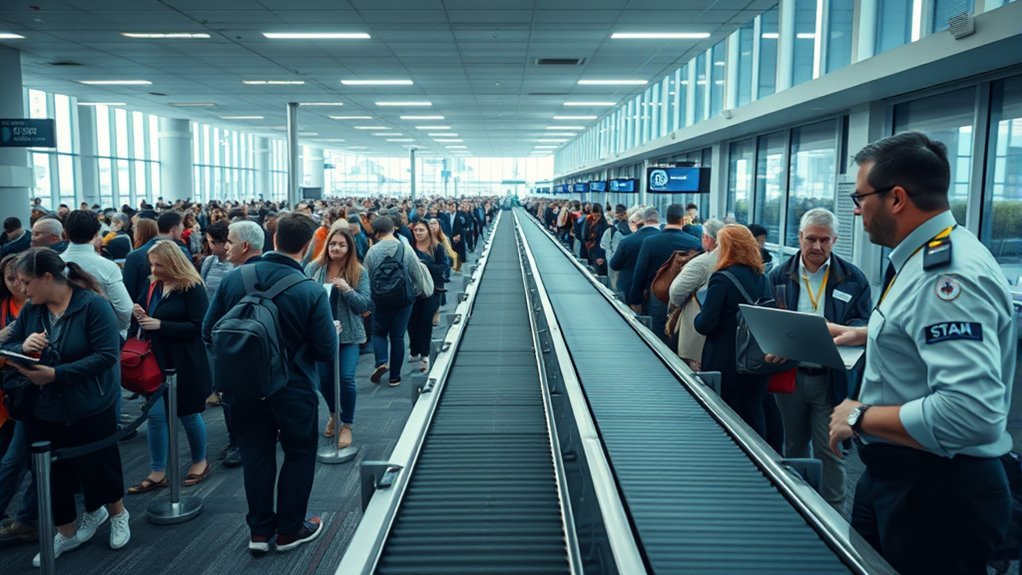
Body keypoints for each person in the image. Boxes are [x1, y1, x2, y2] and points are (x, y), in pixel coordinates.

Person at [826, 132, 1015, 575]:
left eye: (860, 196)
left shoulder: (946, 277)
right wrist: (867, 334)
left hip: (937, 492)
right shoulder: (928, 253)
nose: (856, 209)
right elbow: (919, 332)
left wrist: (857, 416)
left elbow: (970, 411)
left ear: (896, 198)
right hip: (898, 475)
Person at [203, 212, 336, 554]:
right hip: (292, 387)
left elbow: (208, 331)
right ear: (307, 247)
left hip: (242, 386)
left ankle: (260, 532)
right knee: (300, 452)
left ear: (272, 239)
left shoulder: (236, 278)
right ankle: (290, 529)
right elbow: (324, 351)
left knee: (256, 454)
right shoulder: (309, 290)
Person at [1, 248, 129, 565]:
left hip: (90, 402)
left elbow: (105, 357)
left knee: (99, 465)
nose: (23, 290)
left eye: (27, 282)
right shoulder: (33, 310)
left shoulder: (92, 306)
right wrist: (24, 346)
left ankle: (117, 514)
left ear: (47, 278)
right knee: (52, 473)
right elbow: (8, 343)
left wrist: (57, 375)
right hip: (44, 406)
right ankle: (67, 532)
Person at [764, 208, 871, 512]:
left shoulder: (852, 279)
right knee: (794, 445)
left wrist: (840, 332)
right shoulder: (779, 275)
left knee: (831, 450)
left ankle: (834, 516)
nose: (817, 246)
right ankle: (795, 509)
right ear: (799, 237)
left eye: (825, 240)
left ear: (835, 240)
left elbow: (864, 326)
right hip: (790, 376)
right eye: (811, 239)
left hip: (831, 378)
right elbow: (769, 318)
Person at [127, 241, 212, 494]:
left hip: (185, 359)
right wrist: (139, 313)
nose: (154, 268)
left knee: (188, 413)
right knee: (155, 416)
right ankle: (157, 471)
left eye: (159, 264)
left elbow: (199, 327)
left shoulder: (192, 286)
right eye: (152, 264)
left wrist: (161, 325)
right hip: (156, 359)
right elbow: (147, 317)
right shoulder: (154, 283)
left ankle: (200, 461)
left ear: (173, 263)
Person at [693, 225, 772, 440]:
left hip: (726, 361)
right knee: (754, 413)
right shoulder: (762, 278)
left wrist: (696, 317)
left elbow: (706, 323)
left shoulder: (722, 278)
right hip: (756, 361)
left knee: (726, 418)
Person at [304, 225, 370, 450]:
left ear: (349, 247)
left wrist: (347, 289)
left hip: (349, 335)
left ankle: (347, 425)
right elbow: (302, 297)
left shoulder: (358, 271)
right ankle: (334, 414)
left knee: (346, 379)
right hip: (321, 334)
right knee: (323, 381)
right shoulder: (314, 268)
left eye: (341, 244)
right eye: (333, 244)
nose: (336, 248)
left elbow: (365, 305)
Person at [364, 216, 427, 387]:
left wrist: (370, 301)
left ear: (376, 233)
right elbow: (416, 274)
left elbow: (367, 278)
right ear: (394, 229)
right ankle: (395, 377)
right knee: (398, 337)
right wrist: (417, 293)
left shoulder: (373, 252)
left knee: (378, 333)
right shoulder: (405, 249)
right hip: (403, 300)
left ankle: (381, 362)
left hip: (380, 300)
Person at [0, 254, 37, 545]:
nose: (17, 285)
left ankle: (27, 518)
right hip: (10, 392)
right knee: (12, 460)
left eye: (22, 279)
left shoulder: (40, 304)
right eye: (11, 279)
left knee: (22, 460)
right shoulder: (5, 307)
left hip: (36, 391)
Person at [629, 204, 702, 343]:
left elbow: (640, 272)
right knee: (679, 334)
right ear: (682, 220)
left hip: (657, 296)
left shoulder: (650, 242)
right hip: (684, 299)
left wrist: (635, 300)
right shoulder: (694, 243)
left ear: (666, 219)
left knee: (657, 336)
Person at [60, 210, 133, 336]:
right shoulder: (107, 266)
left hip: (60, 334)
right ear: (96, 234)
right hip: (101, 334)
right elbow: (125, 310)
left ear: (65, 233)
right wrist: (115, 329)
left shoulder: (53, 264)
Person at [408, 219, 449, 373]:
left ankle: (425, 353)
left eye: (421, 230)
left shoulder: (437, 248)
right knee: (411, 323)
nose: (418, 233)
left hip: (431, 291)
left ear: (428, 232)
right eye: (416, 230)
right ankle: (414, 348)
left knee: (425, 322)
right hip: (412, 291)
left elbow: (443, 267)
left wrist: (425, 264)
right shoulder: (409, 249)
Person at [123, 211, 188, 303]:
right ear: (175, 228)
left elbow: (128, 292)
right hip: (176, 311)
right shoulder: (182, 252)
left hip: (142, 311)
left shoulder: (134, 256)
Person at [610, 207, 659, 302]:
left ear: (642, 222)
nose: (629, 225)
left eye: (631, 222)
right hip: (655, 290)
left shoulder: (626, 241)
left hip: (628, 288)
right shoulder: (661, 239)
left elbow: (614, 265)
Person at [599, 205, 631, 290]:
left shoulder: (611, 230)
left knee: (614, 286)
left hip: (613, 263)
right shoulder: (633, 230)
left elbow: (603, 245)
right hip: (628, 265)